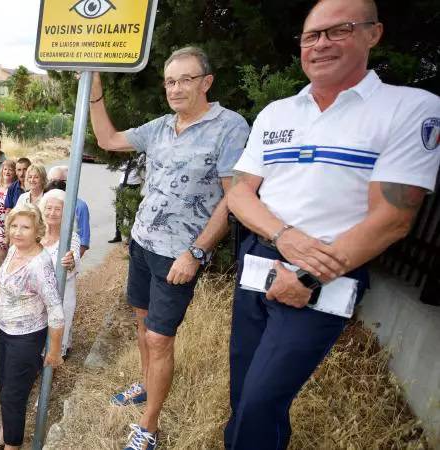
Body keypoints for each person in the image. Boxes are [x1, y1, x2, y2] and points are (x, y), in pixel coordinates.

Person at [224, 1, 440, 448]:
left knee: (263, 400)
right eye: (311, 35)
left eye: (337, 30)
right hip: (259, 262)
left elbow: (393, 220)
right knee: (243, 394)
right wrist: (285, 236)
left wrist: (307, 273)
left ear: (373, 33)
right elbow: (240, 193)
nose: (320, 44)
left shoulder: (410, 107)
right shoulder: (277, 113)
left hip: (325, 275)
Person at [89, 46, 251, 450]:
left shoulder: (229, 127)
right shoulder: (161, 126)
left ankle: (149, 425)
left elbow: (233, 198)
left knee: (161, 339)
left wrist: (196, 253)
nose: (176, 89)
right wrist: (95, 92)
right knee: (143, 326)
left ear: (206, 82)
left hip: (179, 255)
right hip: (143, 244)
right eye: (170, 81)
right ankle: (146, 386)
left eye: (185, 80)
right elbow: (108, 139)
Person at [0, 204, 65, 450]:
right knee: (5, 388)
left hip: (26, 338)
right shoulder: (14, 250)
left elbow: (56, 310)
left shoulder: (39, 264)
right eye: (14, 226)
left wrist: (54, 351)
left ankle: (11, 446)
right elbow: (3, 286)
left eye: (25, 227)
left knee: (13, 395)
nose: (17, 232)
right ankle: (4, 434)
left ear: (37, 231)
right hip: (5, 331)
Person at [38, 189, 80, 357]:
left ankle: (49, 376)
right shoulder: (35, 235)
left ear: (66, 212)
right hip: (36, 299)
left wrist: (71, 262)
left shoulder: (71, 238)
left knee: (54, 344)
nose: (52, 213)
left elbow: (74, 260)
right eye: (49, 208)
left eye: (58, 209)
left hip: (61, 299)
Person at [46, 165, 91, 257]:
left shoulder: (80, 206)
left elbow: (83, 241)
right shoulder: (44, 203)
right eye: (51, 180)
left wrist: (71, 265)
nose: (55, 184)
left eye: (59, 181)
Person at [110, 155, 146, 243]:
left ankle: (130, 237)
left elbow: (143, 172)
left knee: (132, 212)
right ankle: (118, 235)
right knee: (119, 211)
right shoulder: (124, 155)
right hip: (122, 185)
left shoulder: (141, 156)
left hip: (134, 185)